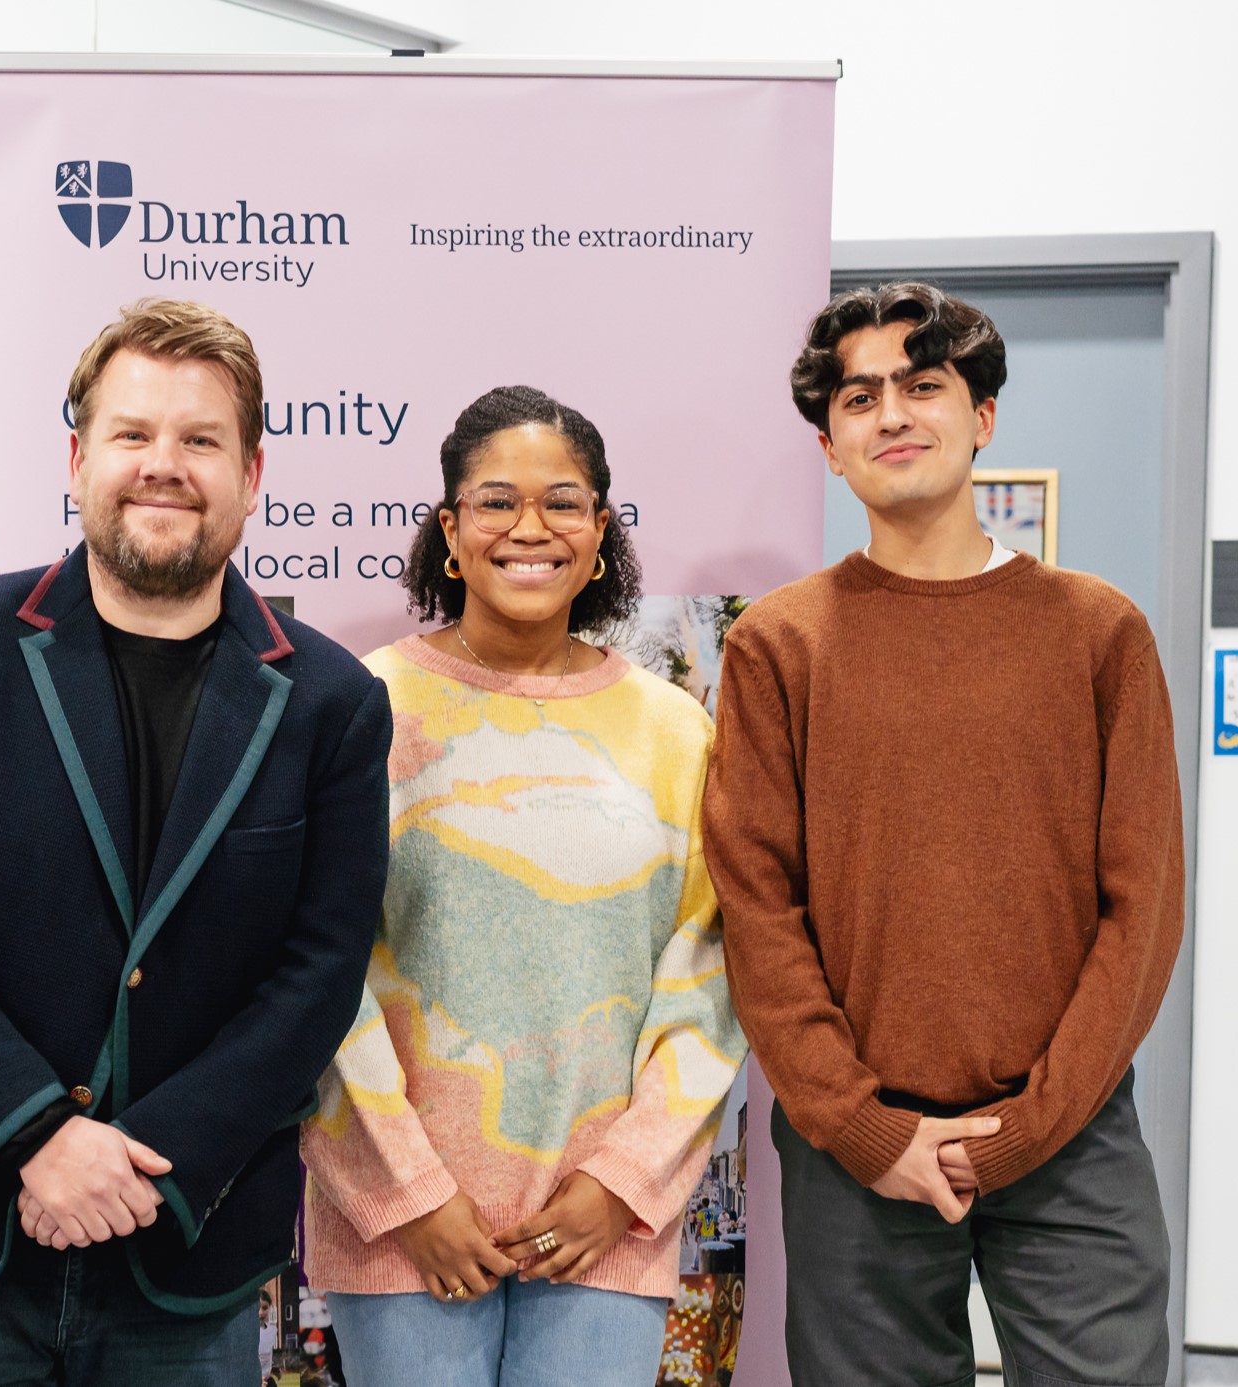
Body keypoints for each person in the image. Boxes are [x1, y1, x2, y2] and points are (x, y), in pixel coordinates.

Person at [0, 298, 394, 1386]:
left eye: (200, 440)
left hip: (183, 1248)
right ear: (81, 457)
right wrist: (38, 1135)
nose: (162, 465)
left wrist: (144, 1171)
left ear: (253, 472)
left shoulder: (332, 704)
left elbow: (317, 976)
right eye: (132, 434)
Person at [704, 282, 1185, 1385]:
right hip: (854, 1147)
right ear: (829, 444)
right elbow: (758, 912)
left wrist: (1029, 1125)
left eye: (924, 386)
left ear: (985, 417)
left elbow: (1142, 905)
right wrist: (864, 1126)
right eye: (860, 397)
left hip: (1070, 1138)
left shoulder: (1100, 633)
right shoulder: (779, 647)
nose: (893, 414)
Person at [301, 386, 746, 1387]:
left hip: (602, 1228)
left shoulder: (676, 732)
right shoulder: (358, 710)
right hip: (403, 1230)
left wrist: (622, 1184)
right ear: (451, 530)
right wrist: (410, 1193)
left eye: (565, 502)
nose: (530, 528)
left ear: (600, 533)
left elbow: (709, 979)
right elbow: (317, 971)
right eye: (496, 501)